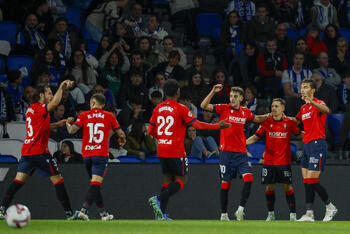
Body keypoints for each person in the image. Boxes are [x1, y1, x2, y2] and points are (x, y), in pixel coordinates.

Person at [147, 79, 230, 220]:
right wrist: (217, 126)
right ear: (178, 92)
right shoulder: (181, 108)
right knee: (181, 179)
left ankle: (159, 215)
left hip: (162, 149)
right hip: (176, 151)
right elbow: (197, 125)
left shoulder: (158, 108)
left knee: (168, 180)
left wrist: (163, 139)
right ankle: (158, 198)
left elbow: (151, 131)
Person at [0, 80, 75, 220]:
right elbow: (54, 104)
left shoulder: (32, 109)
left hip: (27, 152)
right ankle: (69, 213)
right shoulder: (40, 107)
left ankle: (2, 208)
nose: (52, 95)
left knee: (17, 182)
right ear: (41, 95)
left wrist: (59, 123)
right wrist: (61, 87)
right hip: (40, 152)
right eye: (49, 93)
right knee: (58, 181)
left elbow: (41, 127)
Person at [200, 85, 269, 221]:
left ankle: (240, 209)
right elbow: (203, 105)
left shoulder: (245, 111)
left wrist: (269, 116)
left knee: (249, 178)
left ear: (241, 98)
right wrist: (213, 92)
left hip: (241, 154)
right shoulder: (224, 108)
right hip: (226, 154)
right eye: (231, 96)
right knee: (226, 185)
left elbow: (257, 119)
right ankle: (224, 214)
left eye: (235, 96)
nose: (232, 98)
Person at [66, 93, 126, 221]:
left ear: (92, 103)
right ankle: (83, 210)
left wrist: (67, 123)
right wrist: (122, 140)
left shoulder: (83, 115)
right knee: (95, 185)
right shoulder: (109, 116)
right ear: (103, 105)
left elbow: (71, 131)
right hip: (100, 155)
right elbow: (120, 133)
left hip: (87, 155)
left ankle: (103, 214)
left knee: (94, 185)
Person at [246, 98, 303, 221]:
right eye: (272, 106)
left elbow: (299, 134)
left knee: (287, 187)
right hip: (269, 162)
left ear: (283, 108)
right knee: (269, 187)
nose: (273, 108)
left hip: (284, 162)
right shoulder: (266, 122)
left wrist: (314, 136)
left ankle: (293, 215)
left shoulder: (290, 122)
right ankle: (271, 214)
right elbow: (255, 138)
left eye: (276, 106)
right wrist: (242, 144)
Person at [296, 79, 338, 222]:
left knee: (312, 180)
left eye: (306, 87)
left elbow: (327, 110)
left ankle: (330, 206)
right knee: (307, 180)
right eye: (302, 87)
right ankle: (309, 213)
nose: (302, 89)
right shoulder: (303, 109)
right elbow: (295, 122)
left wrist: (311, 101)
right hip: (307, 146)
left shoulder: (318, 103)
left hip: (317, 144)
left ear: (313, 90)